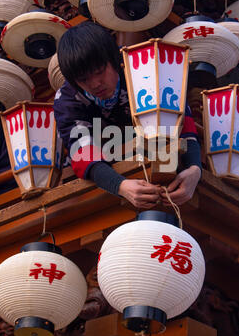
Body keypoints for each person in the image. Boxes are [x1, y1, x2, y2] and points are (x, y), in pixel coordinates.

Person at [54, 21, 202, 210]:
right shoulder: (67, 99)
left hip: (162, 165)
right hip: (104, 181)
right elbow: (82, 152)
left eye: (99, 72)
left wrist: (194, 168)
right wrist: (120, 185)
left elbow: (183, 120)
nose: (95, 84)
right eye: (83, 79)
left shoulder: (144, 66)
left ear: (113, 59)